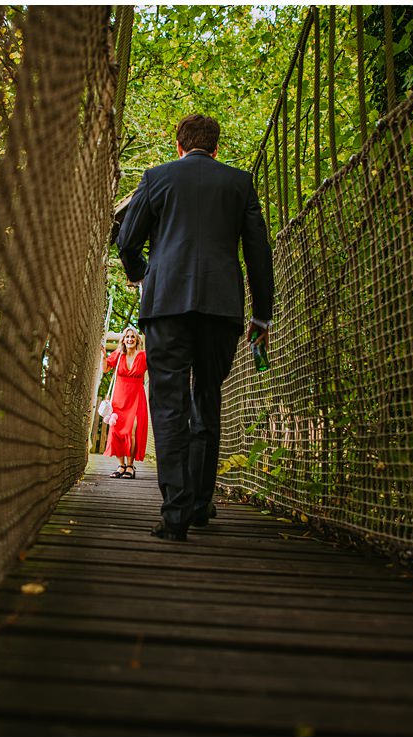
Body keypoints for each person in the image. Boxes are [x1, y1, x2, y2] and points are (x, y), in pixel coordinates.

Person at [114, 113, 273, 542]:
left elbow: (127, 242)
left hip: (166, 306)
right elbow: (259, 252)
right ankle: (202, 502)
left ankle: (176, 511)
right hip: (222, 310)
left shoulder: (157, 178)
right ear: (216, 148)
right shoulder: (239, 184)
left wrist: (144, 274)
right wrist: (262, 313)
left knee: (169, 403)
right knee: (207, 396)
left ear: (178, 145)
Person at [101, 326, 148, 479]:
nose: (130, 339)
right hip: (119, 399)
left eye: (132, 337)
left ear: (137, 340)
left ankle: (130, 465)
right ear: (124, 340)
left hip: (136, 399)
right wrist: (103, 356)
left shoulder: (144, 356)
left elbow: (157, 367)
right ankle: (121, 466)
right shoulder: (118, 355)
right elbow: (105, 369)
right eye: (127, 337)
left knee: (131, 431)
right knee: (116, 432)